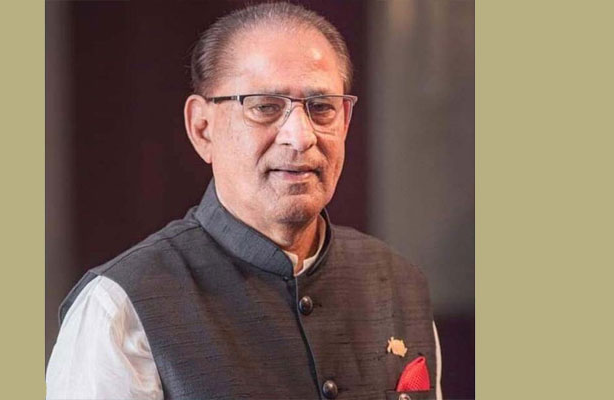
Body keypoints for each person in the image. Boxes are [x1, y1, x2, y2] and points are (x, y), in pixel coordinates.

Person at [46, 2, 442, 399]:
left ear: (345, 123)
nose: (300, 137)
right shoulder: (121, 308)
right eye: (265, 107)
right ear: (202, 128)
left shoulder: (399, 284)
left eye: (321, 108)